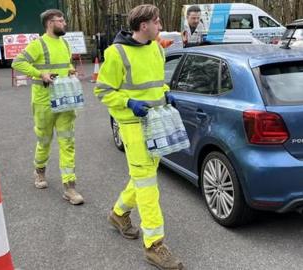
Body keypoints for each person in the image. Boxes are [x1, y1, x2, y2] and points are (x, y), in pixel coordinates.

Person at [94, 4, 183, 270]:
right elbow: (103, 90)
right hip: (133, 125)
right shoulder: (116, 53)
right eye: (157, 22)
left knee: (143, 176)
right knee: (147, 183)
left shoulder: (156, 48)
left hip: (156, 121)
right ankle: (154, 245)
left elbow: (156, 82)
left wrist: (166, 92)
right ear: (144, 25)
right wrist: (129, 101)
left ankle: (119, 214)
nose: (160, 25)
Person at [12, 9, 83, 205]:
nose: (65, 24)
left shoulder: (65, 44)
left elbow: (65, 64)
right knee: (44, 140)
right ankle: (40, 172)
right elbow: (17, 62)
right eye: (61, 21)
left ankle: (70, 187)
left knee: (67, 142)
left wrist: (70, 70)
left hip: (65, 101)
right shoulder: (38, 45)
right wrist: (39, 73)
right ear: (50, 23)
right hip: (44, 101)